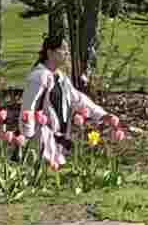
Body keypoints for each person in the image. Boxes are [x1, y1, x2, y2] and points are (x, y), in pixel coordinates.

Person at [18, 32, 109, 170]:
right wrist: (27, 136)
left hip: (57, 140)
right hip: (40, 138)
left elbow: (78, 99)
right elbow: (28, 108)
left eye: (67, 50)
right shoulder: (39, 77)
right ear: (50, 52)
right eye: (63, 49)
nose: (67, 53)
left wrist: (101, 115)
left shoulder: (61, 78)